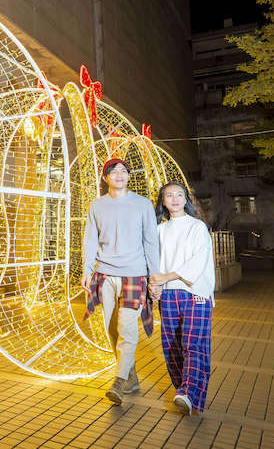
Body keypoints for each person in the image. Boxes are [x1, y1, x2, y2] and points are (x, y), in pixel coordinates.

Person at [81, 158, 160, 405]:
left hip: (134, 274)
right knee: (111, 329)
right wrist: (87, 269)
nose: (119, 174)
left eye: (124, 171)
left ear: (128, 176)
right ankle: (132, 378)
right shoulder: (97, 205)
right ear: (106, 178)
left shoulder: (143, 204)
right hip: (105, 274)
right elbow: (90, 239)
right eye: (114, 171)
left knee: (126, 328)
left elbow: (151, 242)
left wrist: (154, 276)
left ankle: (118, 380)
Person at [148, 182, 215, 416]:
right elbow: (153, 264)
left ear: (186, 199)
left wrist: (165, 276)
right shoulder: (159, 230)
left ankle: (187, 392)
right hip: (168, 294)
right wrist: (154, 285)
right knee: (172, 347)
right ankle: (184, 393)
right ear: (163, 201)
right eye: (169, 195)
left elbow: (198, 261)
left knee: (193, 345)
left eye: (179, 195)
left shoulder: (197, 227)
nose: (175, 199)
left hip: (195, 292)